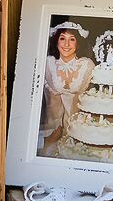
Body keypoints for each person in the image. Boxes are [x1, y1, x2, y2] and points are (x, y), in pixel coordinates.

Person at [38, 21, 95, 155]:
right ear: (56, 41)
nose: (67, 44)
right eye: (62, 38)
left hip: (81, 130)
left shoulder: (87, 65)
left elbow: (92, 100)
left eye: (72, 39)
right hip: (53, 130)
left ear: (78, 43)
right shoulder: (48, 64)